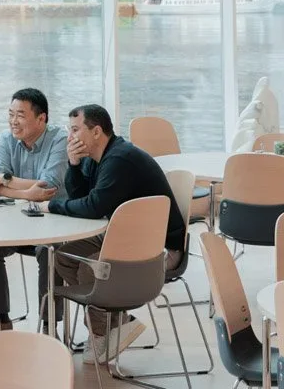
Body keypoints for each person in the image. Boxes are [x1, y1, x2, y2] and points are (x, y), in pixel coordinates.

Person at [45, 104, 185, 363]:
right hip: (125, 235)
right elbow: (81, 199)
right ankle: (120, 322)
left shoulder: (119, 159)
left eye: (75, 130)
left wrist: (52, 205)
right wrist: (74, 165)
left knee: (93, 268)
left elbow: (93, 206)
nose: (70, 136)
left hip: (159, 249)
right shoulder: (95, 158)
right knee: (64, 256)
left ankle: (101, 334)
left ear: (96, 131)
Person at [0, 87, 67, 341]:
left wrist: (8, 182)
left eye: (20, 115)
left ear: (41, 118)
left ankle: (49, 326)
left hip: (54, 222)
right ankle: (0, 319)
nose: (13, 121)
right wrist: (26, 193)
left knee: (49, 250)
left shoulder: (59, 139)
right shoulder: (6, 138)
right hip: (17, 224)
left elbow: (48, 186)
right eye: (10, 114)